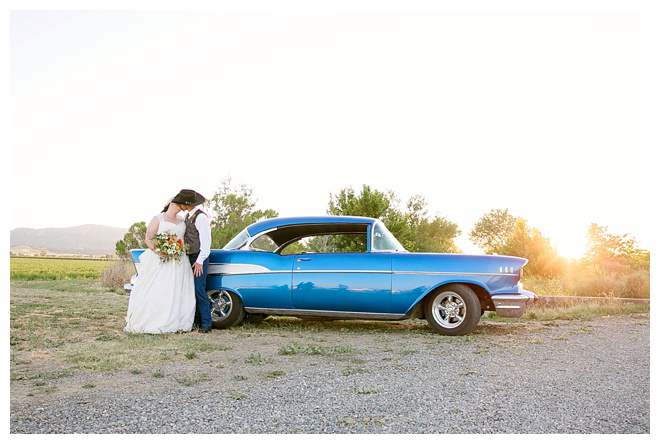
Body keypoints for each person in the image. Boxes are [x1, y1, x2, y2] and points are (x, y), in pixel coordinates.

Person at [124, 198, 196, 334]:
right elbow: (148, 238)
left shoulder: (182, 220)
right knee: (160, 287)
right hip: (162, 257)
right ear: (171, 203)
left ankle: (178, 321)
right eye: (179, 203)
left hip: (179, 258)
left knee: (178, 287)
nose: (181, 206)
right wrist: (159, 251)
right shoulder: (158, 218)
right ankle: (155, 319)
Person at [171, 189, 212, 333]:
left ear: (186, 204)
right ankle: (195, 321)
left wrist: (200, 261)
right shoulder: (188, 216)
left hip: (198, 257)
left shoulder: (201, 217)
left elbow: (206, 242)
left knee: (199, 289)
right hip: (189, 256)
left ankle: (206, 323)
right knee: (191, 289)